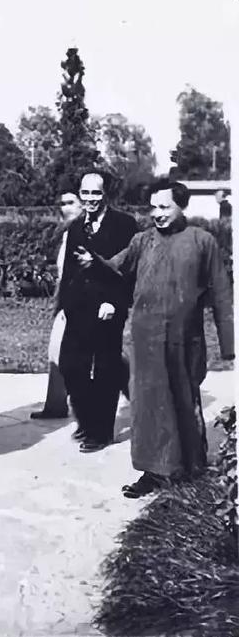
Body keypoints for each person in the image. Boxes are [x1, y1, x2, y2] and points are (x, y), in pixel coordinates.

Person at [77, 179, 234, 497]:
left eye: (164, 207)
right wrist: (94, 263)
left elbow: (221, 295)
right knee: (149, 407)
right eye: (153, 207)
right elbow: (116, 268)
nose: (157, 214)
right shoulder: (142, 241)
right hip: (145, 340)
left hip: (185, 341)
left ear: (182, 206)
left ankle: (190, 468)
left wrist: (229, 345)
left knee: (184, 402)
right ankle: (153, 472)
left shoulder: (203, 241)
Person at [57, 171, 137, 453]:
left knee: (105, 369)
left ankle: (101, 432)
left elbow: (130, 269)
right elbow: (69, 271)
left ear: (106, 195)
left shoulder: (124, 225)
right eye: (86, 193)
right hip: (78, 309)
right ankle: (87, 420)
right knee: (70, 365)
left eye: (96, 193)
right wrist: (64, 306)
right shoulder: (76, 226)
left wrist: (114, 302)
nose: (90, 199)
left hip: (108, 309)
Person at [31, 192, 82, 419]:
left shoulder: (87, 232)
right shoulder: (67, 233)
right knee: (56, 351)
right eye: (62, 203)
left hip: (81, 300)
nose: (65, 207)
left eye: (71, 203)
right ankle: (56, 404)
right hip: (65, 297)